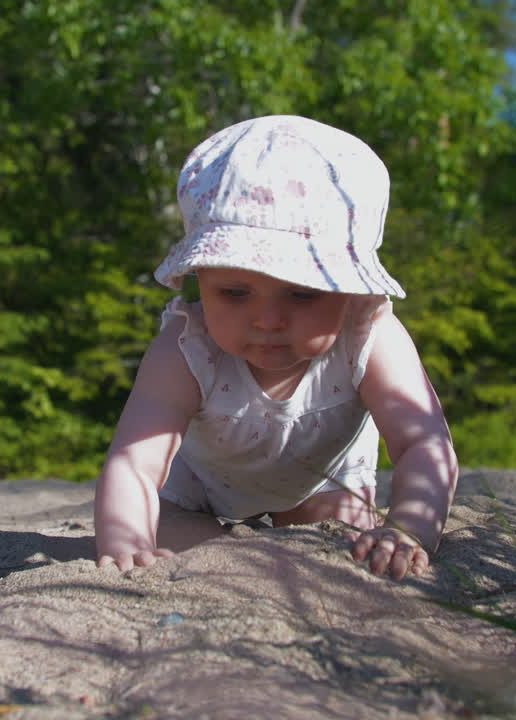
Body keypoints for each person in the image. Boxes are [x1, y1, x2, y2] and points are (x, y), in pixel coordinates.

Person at [94, 115, 458, 581]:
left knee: (339, 543)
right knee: (166, 533)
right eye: (234, 293)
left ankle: (301, 534)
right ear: (199, 281)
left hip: (325, 478)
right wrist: (126, 544)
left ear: (351, 292)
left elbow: (424, 443)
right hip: (201, 484)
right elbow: (134, 463)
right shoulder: (188, 345)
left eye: (303, 294)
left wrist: (409, 528)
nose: (267, 320)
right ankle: (221, 548)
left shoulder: (367, 333)